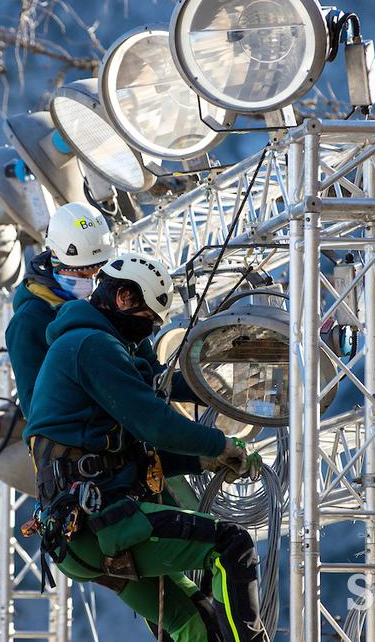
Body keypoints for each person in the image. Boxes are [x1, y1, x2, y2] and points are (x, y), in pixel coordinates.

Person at [24, 253, 267, 642]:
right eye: (149, 321)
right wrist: (218, 444)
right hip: (104, 521)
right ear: (123, 299)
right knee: (231, 547)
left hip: (81, 534)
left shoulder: (82, 347)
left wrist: (204, 458)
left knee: (194, 623)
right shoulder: (93, 346)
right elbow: (153, 424)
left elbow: (132, 453)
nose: (148, 333)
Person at [6, 201, 114, 411]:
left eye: (97, 271)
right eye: (82, 273)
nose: (91, 280)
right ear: (56, 257)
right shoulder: (28, 322)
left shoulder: (98, 302)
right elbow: (35, 408)